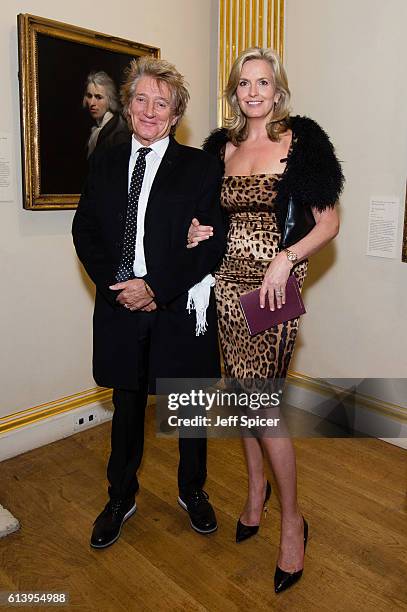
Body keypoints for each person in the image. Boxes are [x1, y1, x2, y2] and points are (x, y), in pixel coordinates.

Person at [187, 47, 344, 593]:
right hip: (227, 287)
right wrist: (197, 233)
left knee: (264, 406)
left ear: (278, 91)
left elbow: (329, 224)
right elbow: (207, 219)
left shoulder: (300, 142)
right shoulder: (220, 149)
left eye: (263, 83)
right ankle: (256, 495)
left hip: (274, 288)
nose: (253, 92)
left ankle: (293, 524)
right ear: (234, 92)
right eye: (244, 84)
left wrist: (287, 258)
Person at [72, 56, 226, 549]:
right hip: (120, 304)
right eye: (141, 99)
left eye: (163, 103)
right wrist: (121, 283)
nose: (150, 110)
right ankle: (120, 497)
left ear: (177, 113)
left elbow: (211, 243)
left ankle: (192, 490)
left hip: (176, 306)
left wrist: (154, 286)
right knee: (127, 404)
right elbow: (85, 230)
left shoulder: (200, 167)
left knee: (188, 405)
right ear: (129, 104)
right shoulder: (105, 160)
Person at [83, 71, 130, 158]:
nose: (92, 103)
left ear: (110, 100)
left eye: (98, 97)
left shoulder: (119, 133)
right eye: (89, 96)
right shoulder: (97, 128)